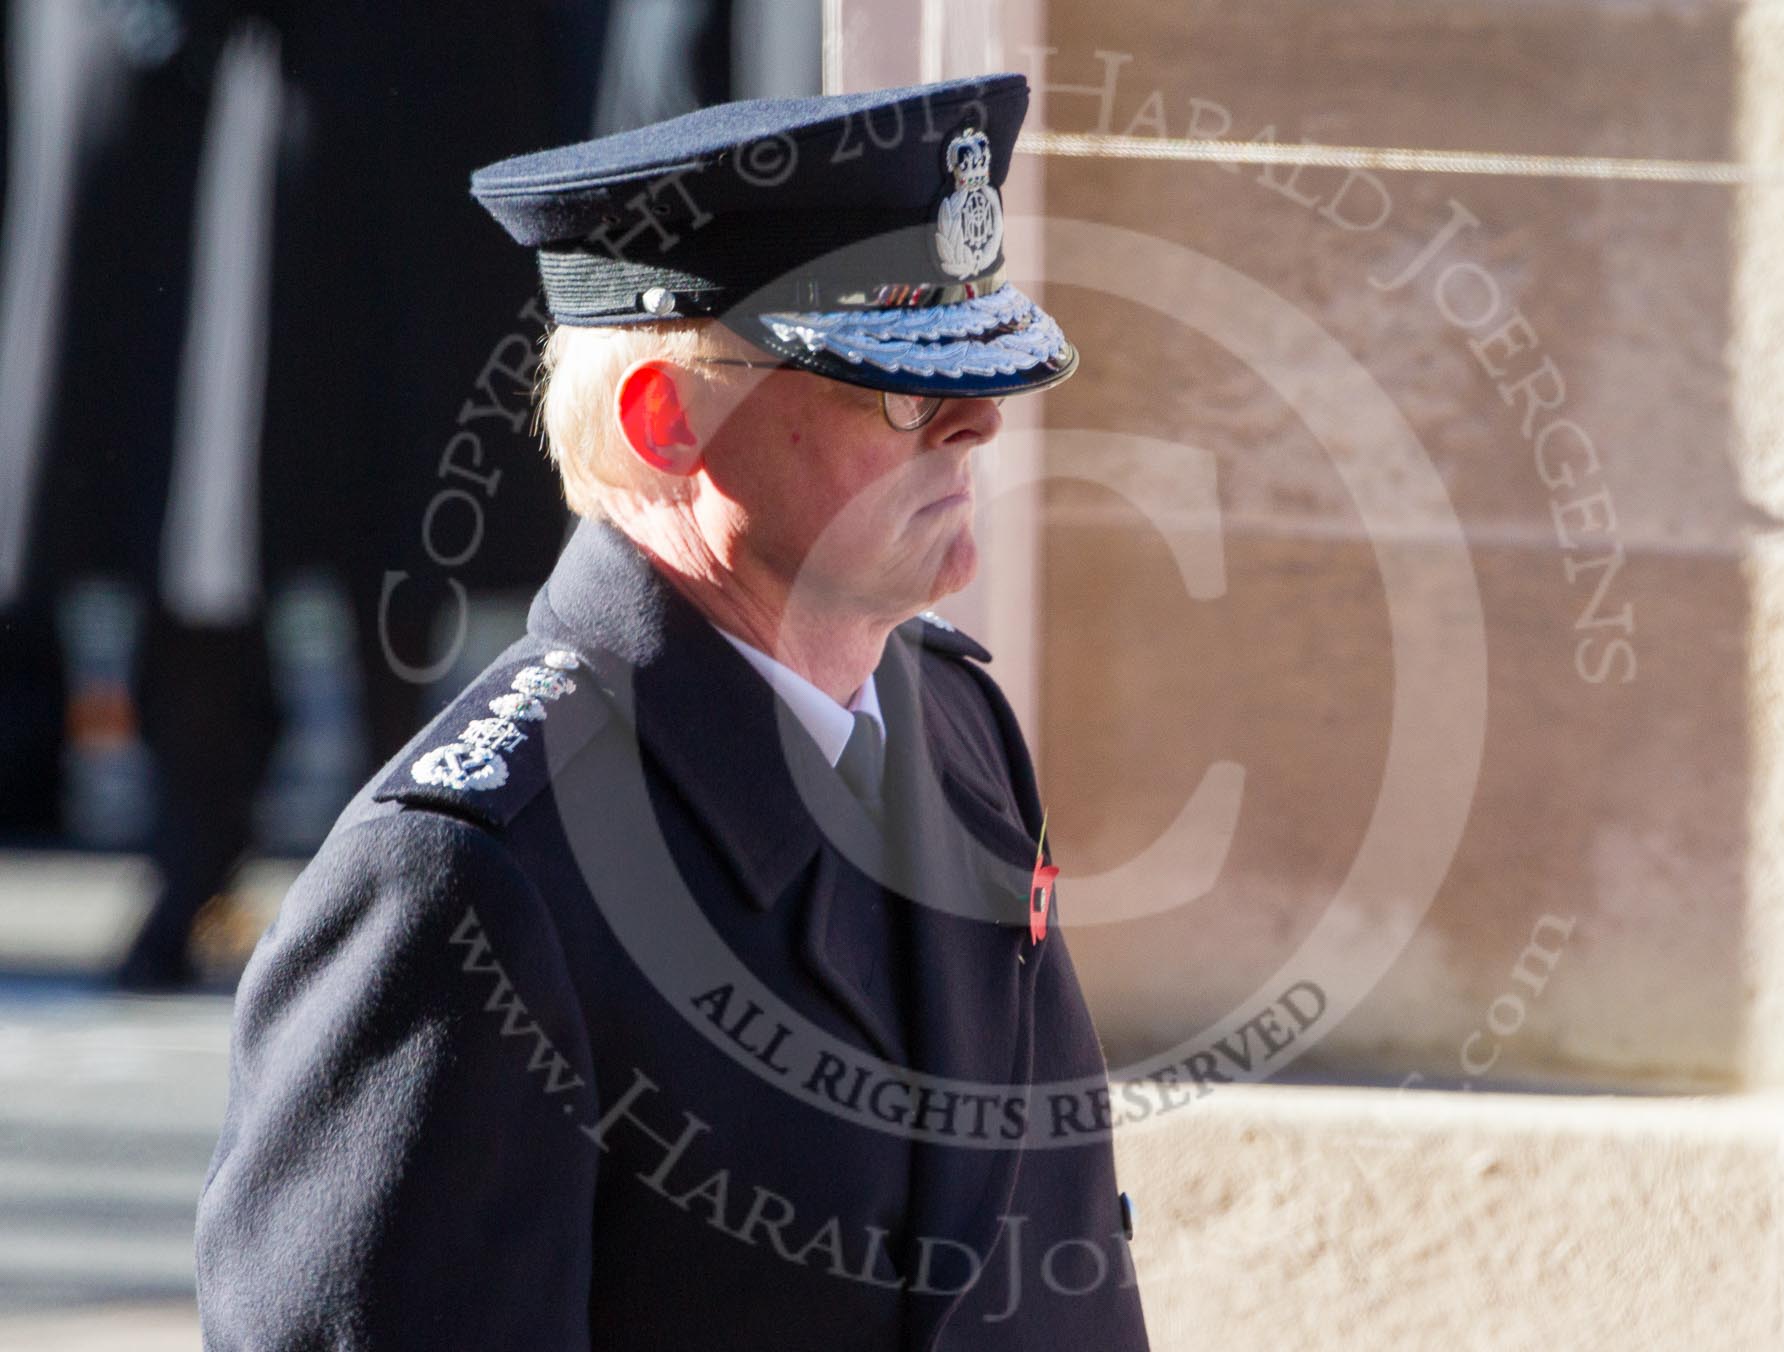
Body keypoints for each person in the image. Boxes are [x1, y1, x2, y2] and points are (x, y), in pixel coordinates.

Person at [195, 72, 1150, 1350]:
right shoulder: (461, 879)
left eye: (975, 372)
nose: (977, 423)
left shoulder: (954, 726)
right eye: (900, 388)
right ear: (668, 423)